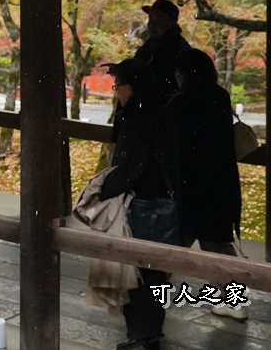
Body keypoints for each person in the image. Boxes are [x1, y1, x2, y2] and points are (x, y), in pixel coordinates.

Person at [100, 59, 180, 350]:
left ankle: (141, 335)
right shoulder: (161, 110)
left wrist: (102, 190)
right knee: (157, 271)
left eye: (117, 86)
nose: (116, 92)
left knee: (137, 271)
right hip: (166, 202)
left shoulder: (134, 117)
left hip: (144, 203)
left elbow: (132, 167)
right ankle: (151, 332)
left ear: (129, 88)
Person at [167, 49, 245, 320]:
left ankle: (147, 297)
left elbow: (175, 151)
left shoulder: (179, 104)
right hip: (220, 184)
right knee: (220, 246)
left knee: (170, 245)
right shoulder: (220, 97)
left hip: (188, 189)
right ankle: (235, 302)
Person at [133, 0, 191, 105]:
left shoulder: (180, 51)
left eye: (158, 20)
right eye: (151, 19)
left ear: (171, 23)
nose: (152, 25)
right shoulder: (148, 46)